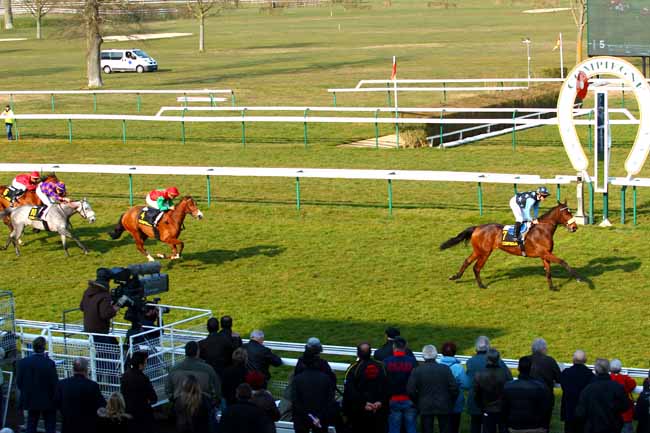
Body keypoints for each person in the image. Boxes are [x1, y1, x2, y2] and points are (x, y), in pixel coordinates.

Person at [407, 344, 459, 433]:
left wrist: (418, 401)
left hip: (425, 405)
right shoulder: (445, 369)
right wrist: (450, 401)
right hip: (444, 404)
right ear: (436, 355)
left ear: (423, 356)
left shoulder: (417, 370)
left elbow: (410, 390)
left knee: (427, 429)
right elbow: (454, 388)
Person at [466, 336, 512, 433]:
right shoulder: (499, 362)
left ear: (476, 347)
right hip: (494, 402)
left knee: (475, 425)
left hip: (477, 400)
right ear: (488, 347)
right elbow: (509, 379)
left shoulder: (470, 362)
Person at [343, 342, 389, 433]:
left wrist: (363, 404)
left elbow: (350, 391)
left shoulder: (353, 369)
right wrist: (380, 402)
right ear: (371, 352)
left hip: (360, 412)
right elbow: (387, 387)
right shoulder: (381, 366)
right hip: (379, 410)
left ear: (358, 353)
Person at [16, 336, 59, 433]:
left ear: (33, 347)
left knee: (31, 424)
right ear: (44, 347)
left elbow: (19, 382)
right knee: (50, 426)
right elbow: (54, 384)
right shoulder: (49, 363)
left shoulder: (23, 362)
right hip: (47, 400)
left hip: (30, 399)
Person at [575, 358, 628, 433]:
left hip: (593, 427)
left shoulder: (588, 389)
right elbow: (625, 406)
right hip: (613, 427)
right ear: (608, 369)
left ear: (595, 370)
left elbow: (580, 412)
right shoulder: (617, 387)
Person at [55, 357, 107, 433]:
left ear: (73, 369)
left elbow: (56, 403)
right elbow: (101, 405)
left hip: (68, 426)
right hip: (87, 426)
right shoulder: (92, 385)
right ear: (86, 370)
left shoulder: (62, 384)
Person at [502, 356, 551, 433]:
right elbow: (546, 409)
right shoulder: (541, 387)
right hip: (534, 426)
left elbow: (504, 409)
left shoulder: (508, 386)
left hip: (514, 426)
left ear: (518, 368)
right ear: (532, 369)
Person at [291, 355, 336, 433]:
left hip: (302, 420)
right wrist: (318, 417)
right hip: (321, 420)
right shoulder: (326, 378)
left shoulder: (297, 379)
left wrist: (310, 417)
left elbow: (296, 401)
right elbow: (329, 401)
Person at [384, 336, 419, 433]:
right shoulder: (412, 361)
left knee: (394, 428)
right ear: (405, 347)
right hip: (409, 399)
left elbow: (384, 381)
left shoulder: (386, 362)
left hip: (393, 399)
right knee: (411, 427)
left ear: (393, 346)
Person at [120, 351, 157, 433]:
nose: (146, 364)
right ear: (140, 365)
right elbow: (153, 398)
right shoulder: (143, 378)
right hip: (142, 415)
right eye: (146, 362)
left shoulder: (125, 376)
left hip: (128, 412)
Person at [439, 341, 471, 433]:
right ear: (454, 352)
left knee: (443, 427)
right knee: (454, 427)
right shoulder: (458, 367)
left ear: (442, 352)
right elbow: (466, 385)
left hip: (440, 401)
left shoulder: (437, 365)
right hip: (455, 403)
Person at [474, 349, 509, 433]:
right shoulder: (505, 373)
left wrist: (481, 406)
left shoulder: (479, 374)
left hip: (487, 408)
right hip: (501, 408)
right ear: (498, 359)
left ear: (486, 359)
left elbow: (477, 394)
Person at [529, 338, 561, 430]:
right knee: (544, 425)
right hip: (546, 397)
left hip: (528, 396)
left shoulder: (526, 360)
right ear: (543, 349)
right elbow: (559, 378)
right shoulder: (550, 361)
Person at [509, 186, 550, 255]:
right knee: (520, 218)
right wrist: (532, 220)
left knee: (525, 219)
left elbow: (536, 208)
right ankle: (515, 236)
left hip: (521, 203)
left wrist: (535, 218)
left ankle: (523, 236)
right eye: (544, 196)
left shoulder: (537, 198)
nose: (544, 197)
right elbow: (526, 211)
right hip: (514, 202)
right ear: (539, 194)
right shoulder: (531, 200)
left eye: (545, 196)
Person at [560, 349, 594, 433]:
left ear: (573, 360)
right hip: (584, 411)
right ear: (585, 360)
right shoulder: (590, 375)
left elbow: (563, 387)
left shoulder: (566, 373)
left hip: (569, 410)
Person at [610, 359, 636, 433]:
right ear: (620, 368)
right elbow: (633, 384)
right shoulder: (625, 378)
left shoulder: (608, 378)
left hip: (611, 413)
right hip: (625, 414)